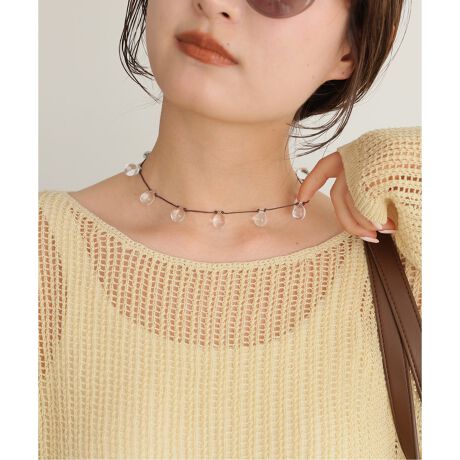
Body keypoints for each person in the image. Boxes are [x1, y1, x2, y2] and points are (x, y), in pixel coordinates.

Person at [38, 0, 421, 458]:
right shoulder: (36, 253)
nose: (216, 3)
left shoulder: (403, 264)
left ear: (350, 49)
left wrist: (400, 163)